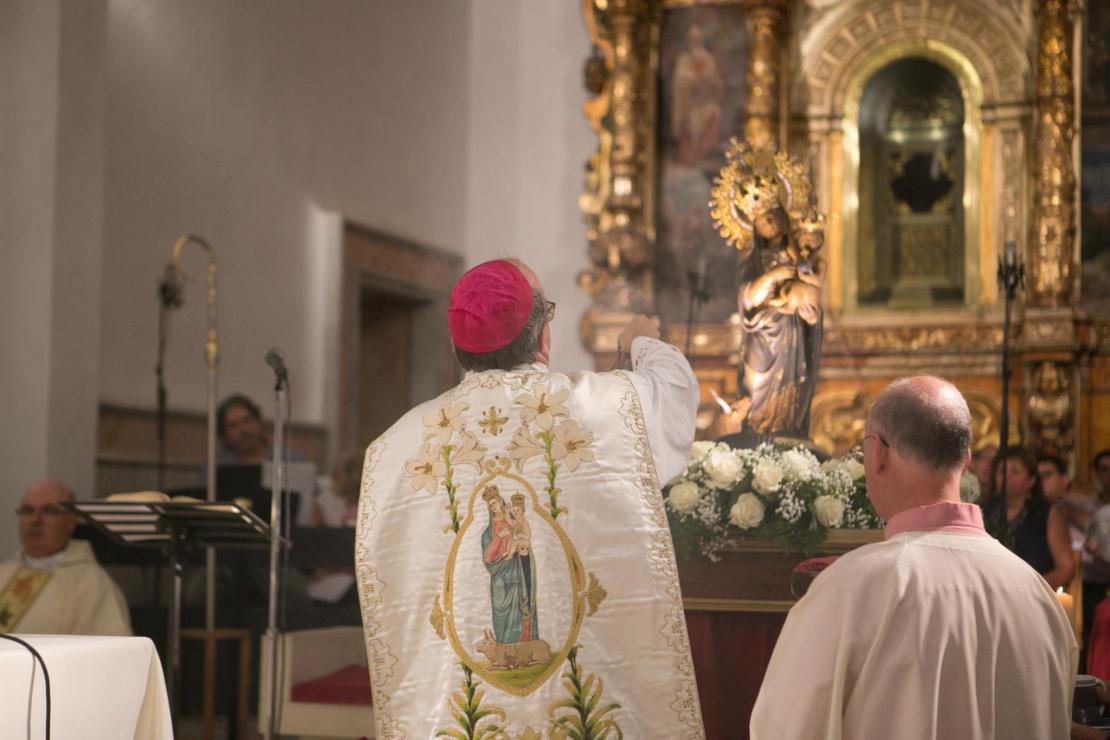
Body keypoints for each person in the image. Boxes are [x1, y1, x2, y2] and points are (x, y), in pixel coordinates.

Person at [354, 259, 704, 737]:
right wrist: (640, 341)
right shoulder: (606, 409)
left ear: (459, 347)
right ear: (542, 337)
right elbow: (674, 390)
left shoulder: (394, 447)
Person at [751, 376, 1076, 740]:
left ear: (877, 453)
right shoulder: (1037, 593)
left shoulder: (851, 588)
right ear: (966, 460)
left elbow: (785, 728)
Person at [0, 479, 131, 636]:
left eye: (49, 511)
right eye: (28, 510)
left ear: (71, 521)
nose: (35, 520)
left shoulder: (93, 585)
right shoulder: (4, 573)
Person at [981, 447, 1074, 589]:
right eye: (1001, 471)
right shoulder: (984, 510)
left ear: (1031, 480)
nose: (1007, 477)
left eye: (1015, 471)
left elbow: (1065, 568)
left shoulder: (1047, 513)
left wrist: (1033, 587)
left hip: (1030, 592)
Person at [216, 393, 269, 464]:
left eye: (247, 420)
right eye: (233, 425)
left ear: (259, 422)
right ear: (224, 434)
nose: (243, 429)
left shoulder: (286, 461)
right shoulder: (214, 468)